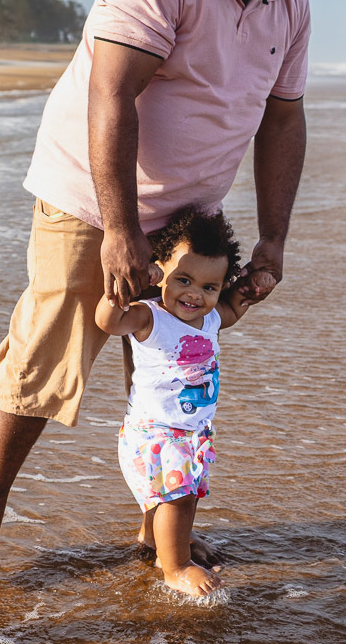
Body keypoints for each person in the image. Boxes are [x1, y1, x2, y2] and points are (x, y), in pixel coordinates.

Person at [0, 0, 343, 583]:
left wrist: (274, 236)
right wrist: (120, 227)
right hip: (91, 196)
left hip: (192, 213)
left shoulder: (287, 7)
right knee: (47, 351)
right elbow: (111, 93)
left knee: (169, 372)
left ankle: (156, 527)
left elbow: (282, 121)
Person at [96, 207, 249, 598]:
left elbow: (231, 310)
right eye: (183, 280)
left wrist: (251, 289)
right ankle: (175, 566)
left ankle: (155, 541)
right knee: (177, 498)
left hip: (189, 431)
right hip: (157, 432)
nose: (195, 294)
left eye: (209, 287)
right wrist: (122, 290)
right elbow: (108, 322)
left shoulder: (210, 317)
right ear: (158, 270)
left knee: (184, 495)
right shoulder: (150, 316)